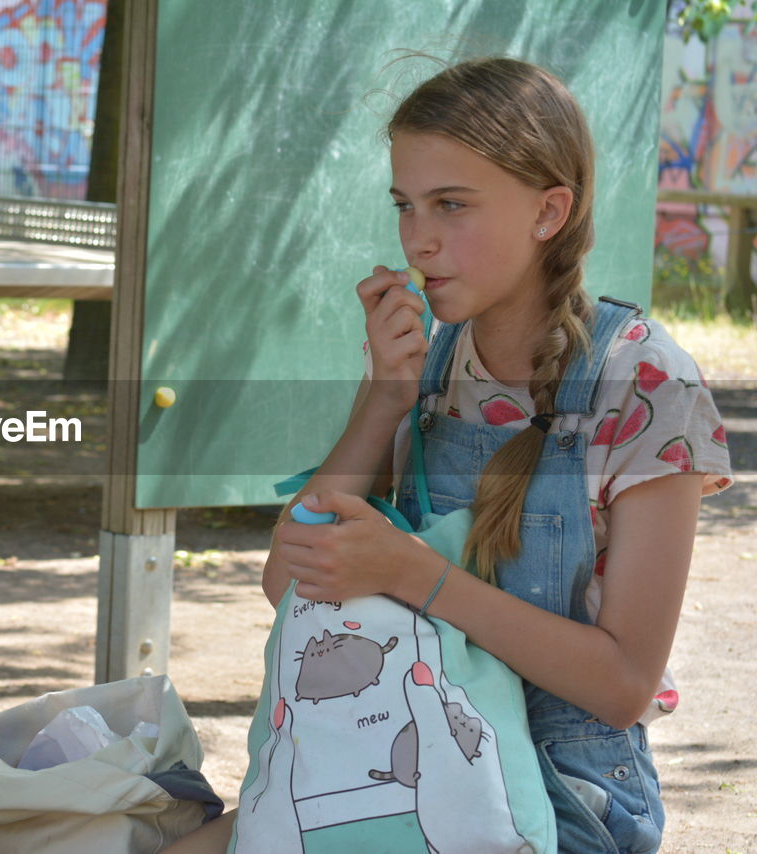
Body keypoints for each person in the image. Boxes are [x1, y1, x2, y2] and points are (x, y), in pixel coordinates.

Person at [166, 57, 733, 854]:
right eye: (405, 205)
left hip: (565, 797)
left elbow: (623, 684)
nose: (418, 239)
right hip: (401, 759)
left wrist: (415, 575)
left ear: (549, 212)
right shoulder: (427, 367)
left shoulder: (645, 381)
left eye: (452, 206)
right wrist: (383, 403)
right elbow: (288, 583)